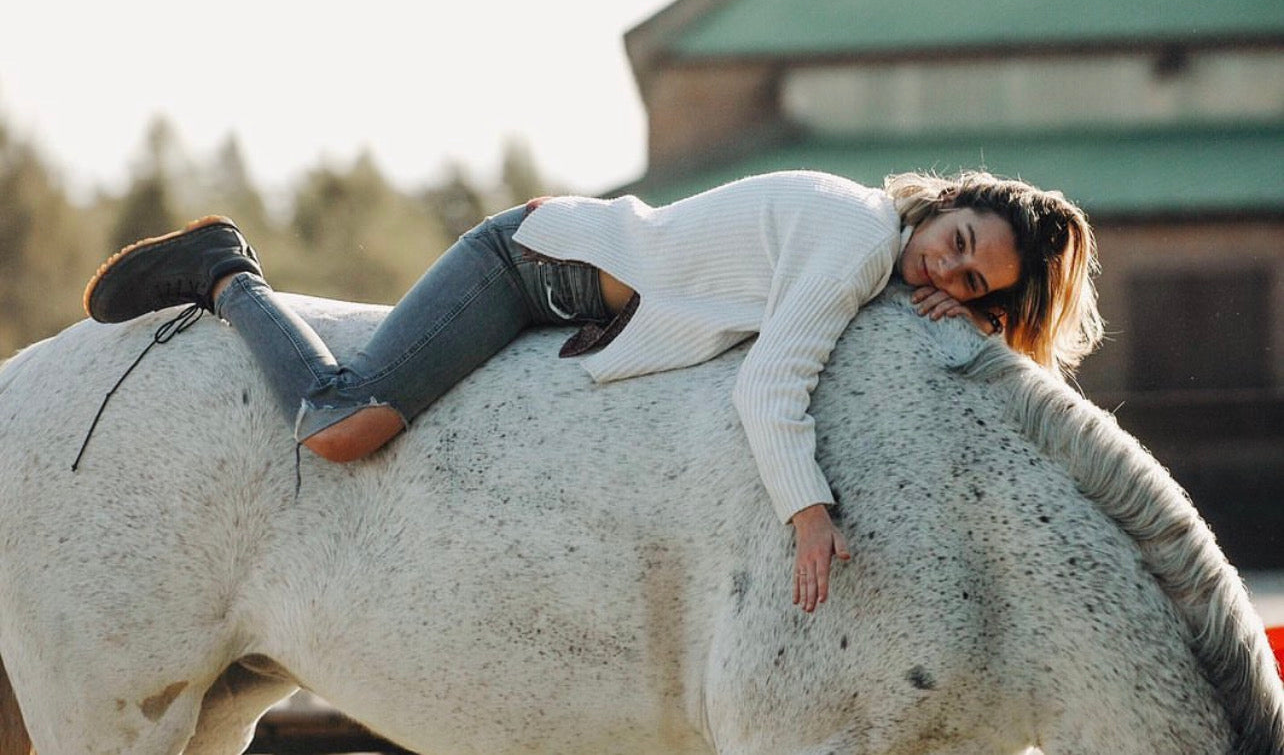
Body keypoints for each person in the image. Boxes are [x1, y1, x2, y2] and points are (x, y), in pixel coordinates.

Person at [84, 169, 1103, 612]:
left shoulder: (872, 251)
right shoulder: (852, 243)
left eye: (973, 286)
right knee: (344, 423)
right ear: (945, 202)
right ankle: (226, 274)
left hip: (574, 290)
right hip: (533, 261)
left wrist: (938, 311)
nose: (946, 274)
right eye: (956, 245)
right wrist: (808, 514)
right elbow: (772, 384)